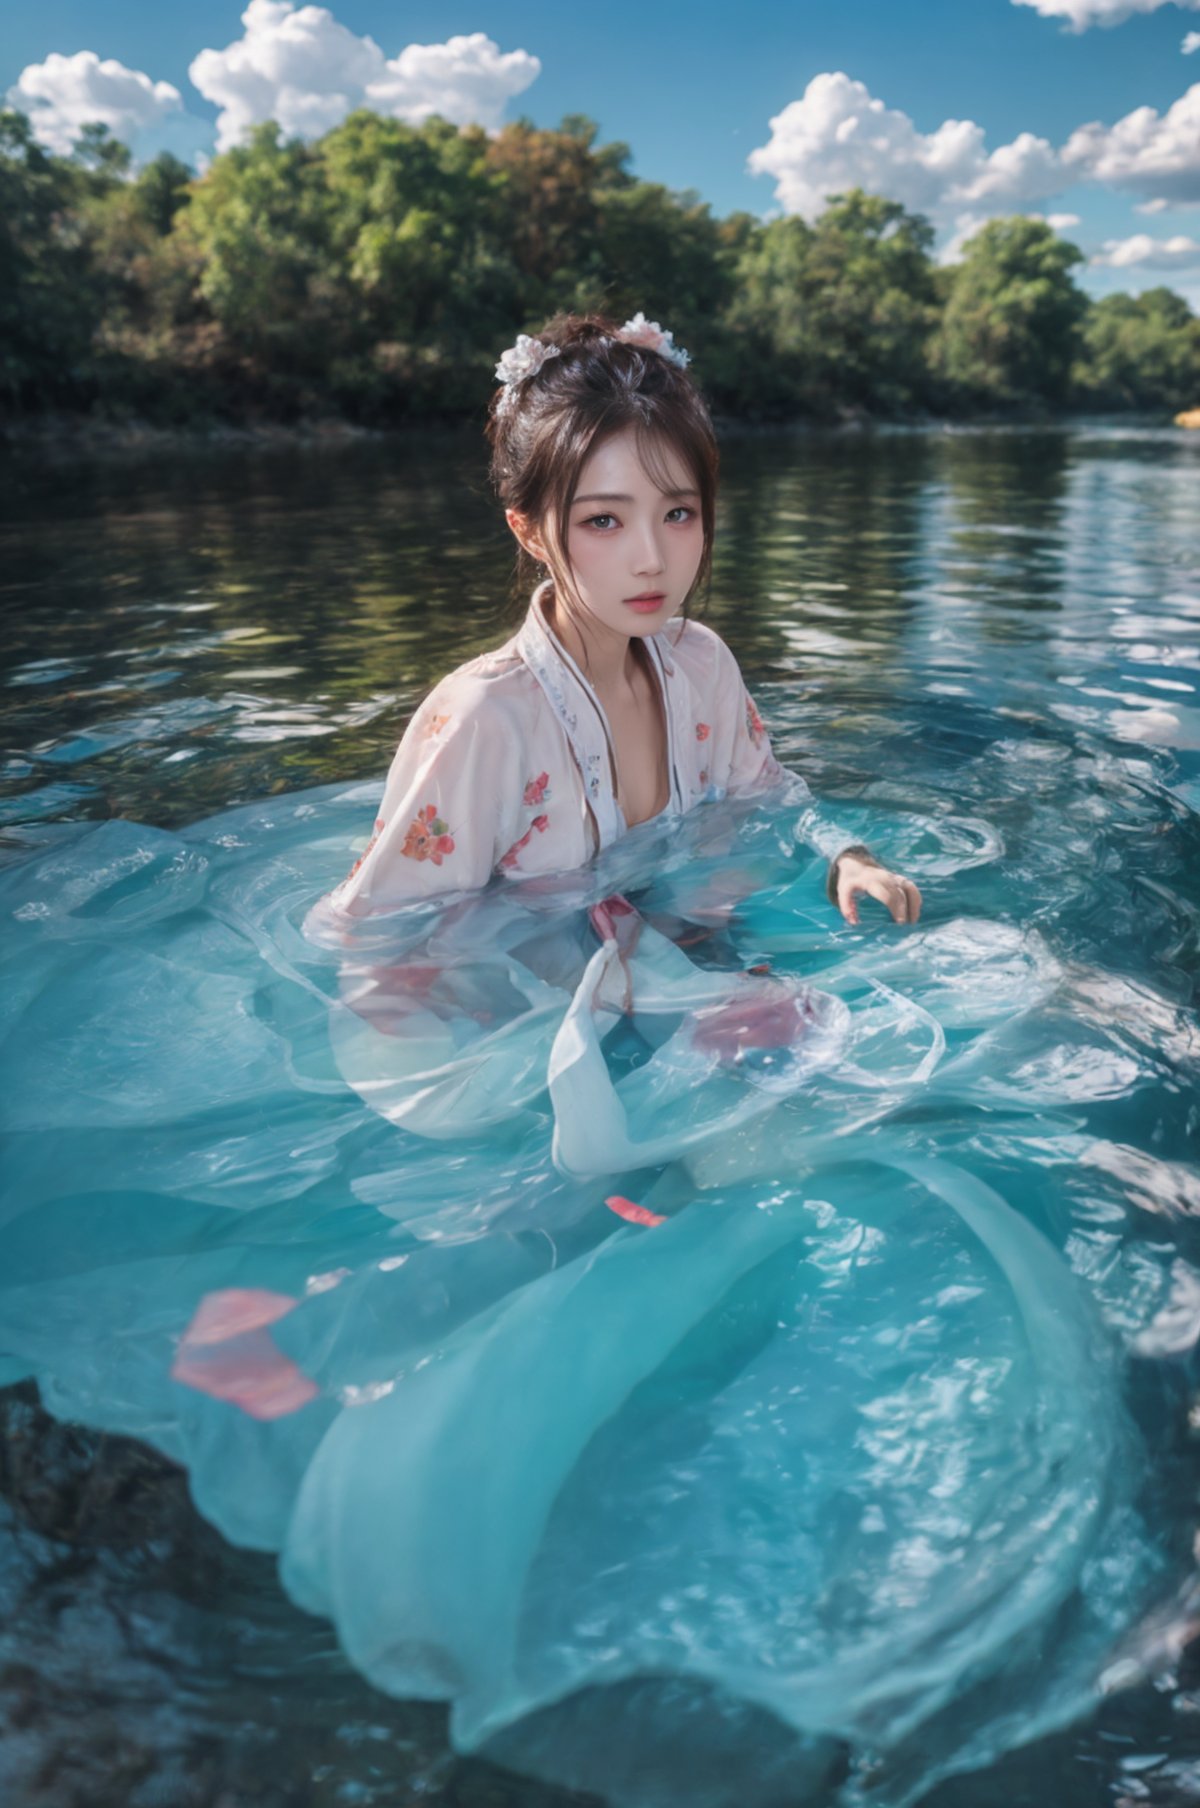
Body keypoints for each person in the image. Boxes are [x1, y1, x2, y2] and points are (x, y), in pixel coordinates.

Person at [326, 309, 922, 928]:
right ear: (529, 531)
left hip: (688, 957)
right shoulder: (486, 719)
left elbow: (768, 800)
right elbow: (380, 938)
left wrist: (845, 856)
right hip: (527, 1004)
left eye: (678, 514)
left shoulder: (701, 662)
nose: (652, 560)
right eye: (603, 520)